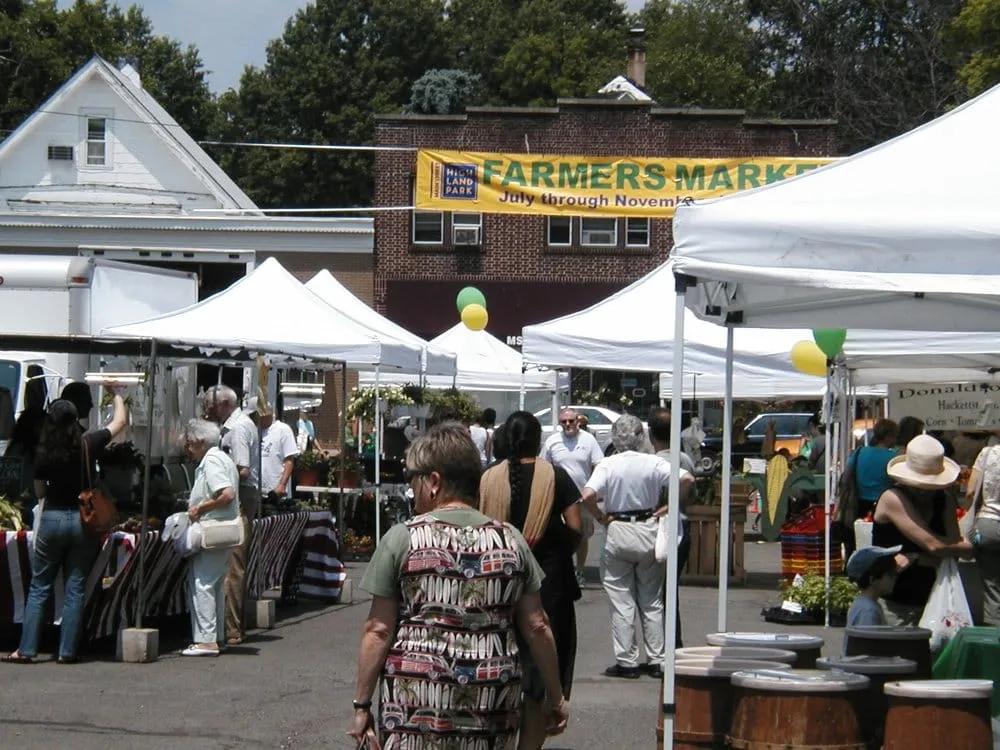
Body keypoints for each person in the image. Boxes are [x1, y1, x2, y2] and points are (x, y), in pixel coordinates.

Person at [348, 422, 569, 749]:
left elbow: (378, 630)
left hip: (415, 703)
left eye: (413, 479)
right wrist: (555, 696)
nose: (411, 488)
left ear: (434, 482)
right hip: (491, 699)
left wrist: (362, 705)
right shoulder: (510, 539)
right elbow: (537, 625)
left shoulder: (403, 538)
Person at [480, 411, 581, 750]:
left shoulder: (488, 479)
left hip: (498, 585)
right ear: (538, 441)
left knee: (500, 669)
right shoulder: (556, 476)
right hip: (548, 586)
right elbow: (576, 528)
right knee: (538, 680)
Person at [3, 390, 128, 664]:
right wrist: (117, 393)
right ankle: (67, 651)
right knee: (75, 586)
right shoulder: (87, 443)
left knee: (39, 587)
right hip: (82, 519)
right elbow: (119, 422)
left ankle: (26, 649)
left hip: (52, 518)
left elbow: (39, 492)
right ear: (76, 419)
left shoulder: (43, 450)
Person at [581, 415, 695, 680]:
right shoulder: (653, 462)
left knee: (621, 599)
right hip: (647, 526)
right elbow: (688, 479)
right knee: (652, 599)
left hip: (618, 528)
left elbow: (587, 494)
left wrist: (599, 517)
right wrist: (671, 505)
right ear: (641, 437)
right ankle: (656, 658)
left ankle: (627, 660)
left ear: (614, 438)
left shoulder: (608, 464)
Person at [872, 434, 973, 625]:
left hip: (933, 599)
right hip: (895, 601)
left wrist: (918, 557)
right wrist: (963, 547)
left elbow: (952, 550)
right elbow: (934, 545)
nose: (922, 490)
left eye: (929, 485)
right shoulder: (893, 498)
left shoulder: (944, 499)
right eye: (918, 484)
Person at [202, 385, 259, 646]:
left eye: (211, 405)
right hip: (241, 493)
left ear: (224, 403)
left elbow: (242, 469)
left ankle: (232, 627)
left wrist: (218, 478)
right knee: (234, 561)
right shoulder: (233, 426)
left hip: (240, 495)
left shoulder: (237, 429)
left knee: (234, 562)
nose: (209, 410)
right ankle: (232, 624)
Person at [179, 418, 240, 656]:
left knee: (202, 583)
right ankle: (216, 636)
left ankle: (206, 640)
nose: (188, 448)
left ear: (201, 442)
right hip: (223, 530)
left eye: (190, 443)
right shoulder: (223, 458)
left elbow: (226, 494)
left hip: (213, 529)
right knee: (213, 584)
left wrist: (200, 508)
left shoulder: (212, 461)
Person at [647, 408, 696, 647]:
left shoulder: (650, 461)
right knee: (670, 590)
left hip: (656, 528)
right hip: (681, 525)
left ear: (650, 434)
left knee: (652, 592)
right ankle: (673, 642)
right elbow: (693, 492)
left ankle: (660, 645)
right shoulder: (684, 459)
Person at [541, 408, 604, 586]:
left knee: (581, 536)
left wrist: (596, 491)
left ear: (578, 421)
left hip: (582, 497)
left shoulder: (589, 440)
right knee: (560, 535)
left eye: (571, 421)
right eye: (564, 422)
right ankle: (563, 570)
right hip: (559, 498)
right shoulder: (552, 441)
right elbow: (544, 466)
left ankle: (579, 572)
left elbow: (599, 465)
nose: (568, 424)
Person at [968, 438, 1000, 624]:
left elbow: (970, 491)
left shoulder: (987, 453)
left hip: (988, 524)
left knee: (991, 585)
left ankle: (994, 629)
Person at [844, 545, 902, 635]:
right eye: (891, 574)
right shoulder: (868, 610)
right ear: (872, 579)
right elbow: (867, 642)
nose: (895, 578)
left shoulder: (868, 604)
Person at [248, 397, 299, 500]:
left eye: (254, 415)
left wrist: (282, 485)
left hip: (274, 491)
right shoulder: (254, 430)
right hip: (254, 489)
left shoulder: (283, 430)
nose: (252, 418)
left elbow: (289, 460)